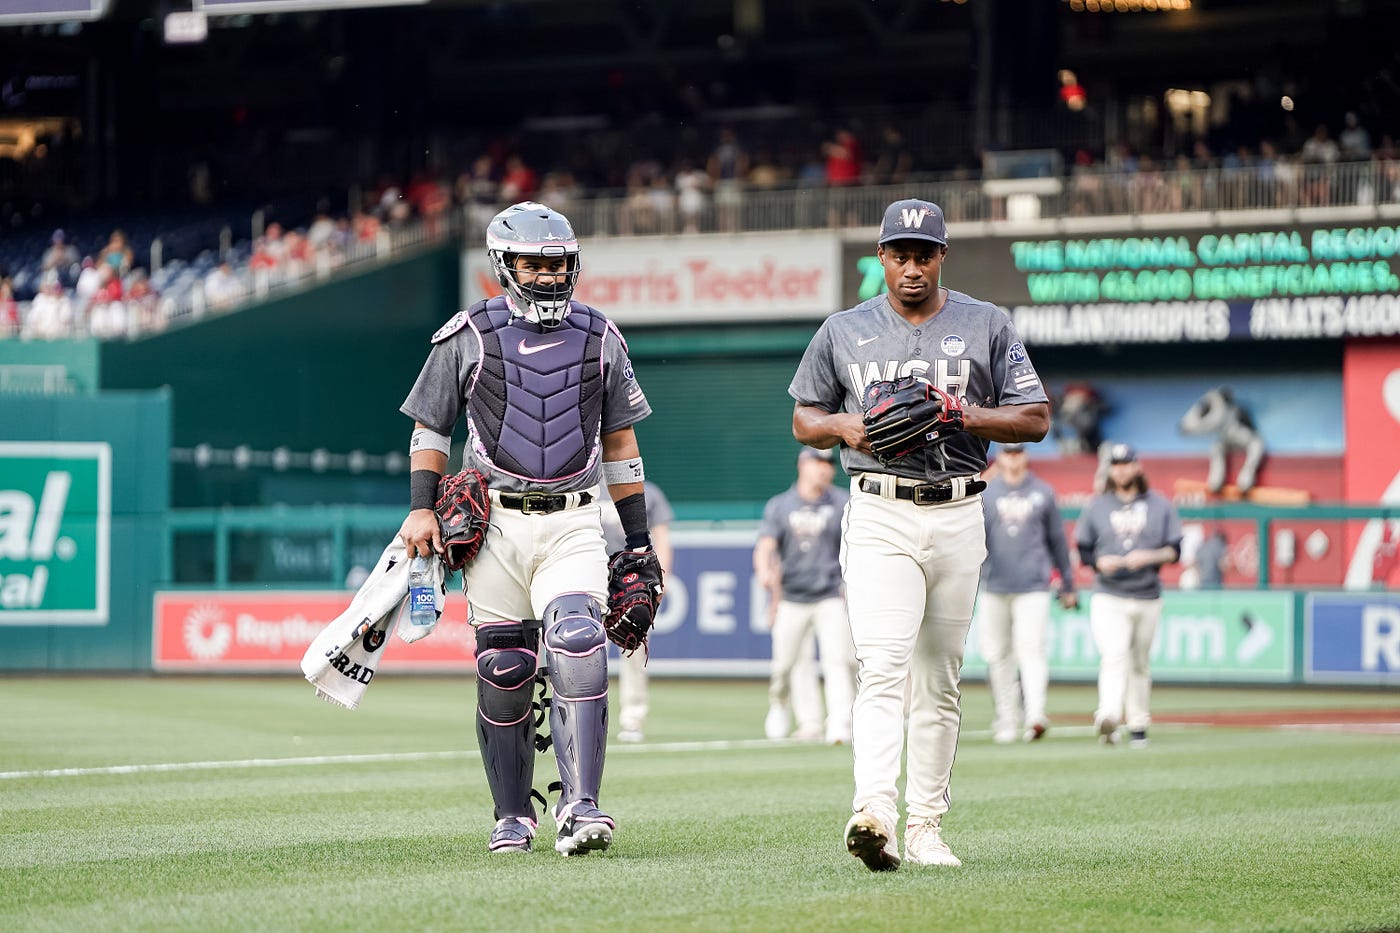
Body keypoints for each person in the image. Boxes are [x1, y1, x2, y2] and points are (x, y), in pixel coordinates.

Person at [789, 198, 1050, 871]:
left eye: (923, 254)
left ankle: (928, 825)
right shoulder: (844, 329)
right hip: (878, 509)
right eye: (899, 254)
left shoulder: (986, 323)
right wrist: (846, 426)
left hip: (961, 508)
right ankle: (874, 811)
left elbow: (1037, 417)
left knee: (940, 677)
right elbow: (804, 418)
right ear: (881, 257)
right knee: (882, 664)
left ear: (942, 257)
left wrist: (966, 414)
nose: (911, 267)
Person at [397, 201, 659, 857]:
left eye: (558, 263)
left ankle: (582, 805)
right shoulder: (466, 334)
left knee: (576, 639)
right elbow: (430, 428)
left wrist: (638, 538)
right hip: (495, 524)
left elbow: (622, 443)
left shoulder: (602, 337)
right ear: (501, 265)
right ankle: (512, 814)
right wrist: (422, 507)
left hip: (573, 518)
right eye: (533, 263)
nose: (547, 275)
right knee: (503, 666)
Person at [1073, 443, 1182, 750]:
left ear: (1137, 466)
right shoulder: (1097, 505)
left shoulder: (1159, 504)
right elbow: (1083, 549)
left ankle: (1138, 724)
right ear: (1110, 470)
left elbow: (1175, 550)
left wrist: (1148, 556)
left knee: (1139, 662)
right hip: (1110, 593)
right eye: (1116, 464)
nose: (1121, 469)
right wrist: (1097, 562)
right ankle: (1108, 713)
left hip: (1147, 594)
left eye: (1126, 463)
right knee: (1115, 654)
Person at [753, 445, 856, 745]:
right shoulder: (781, 505)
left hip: (829, 594)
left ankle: (839, 722)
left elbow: (852, 545)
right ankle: (787, 709)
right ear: (802, 464)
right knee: (786, 665)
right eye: (818, 462)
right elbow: (766, 546)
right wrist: (763, 572)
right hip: (792, 598)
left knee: (838, 660)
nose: (825, 468)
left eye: (829, 463)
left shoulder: (841, 502)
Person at [978, 442, 1078, 745]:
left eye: (1018, 451)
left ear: (1026, 455)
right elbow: (973, 542)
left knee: (1031, 650)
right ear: (1001, 458)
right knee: (998, 656)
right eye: (1008, 452)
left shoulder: (1042, 491)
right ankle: (1007, 717)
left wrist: (1068, 583)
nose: (1013, 458)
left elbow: (1057, 541)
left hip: (1034, 583)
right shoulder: (986, 493)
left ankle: (1035, 714)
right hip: (994, 584)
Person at [600, 480, 674, 743]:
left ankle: (633, 718)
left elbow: (661, 537)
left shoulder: (648, 492)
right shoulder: (584, 487)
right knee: (583, 652)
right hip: (592, 577)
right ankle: (584, 715)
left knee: (634, 649)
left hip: (631, 585)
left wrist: (661, 579)